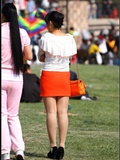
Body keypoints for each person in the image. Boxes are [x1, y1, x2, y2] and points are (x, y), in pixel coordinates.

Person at [38, 11, 77, 159]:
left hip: (49, 75)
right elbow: (70, 57)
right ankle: (62, 146)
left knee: (51, 112)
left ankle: (52, 147)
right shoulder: (69, 39)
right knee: (63, 112)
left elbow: (41, 57)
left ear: (49, 23)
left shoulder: (46, 38)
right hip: (63, 75)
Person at [1, 3, 32, 160]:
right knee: (13, 115)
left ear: (3, 15)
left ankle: (5, 152)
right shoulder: (22, 33)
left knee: (2, 115)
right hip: (16, 78)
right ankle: (19, 150)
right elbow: (29, 56)